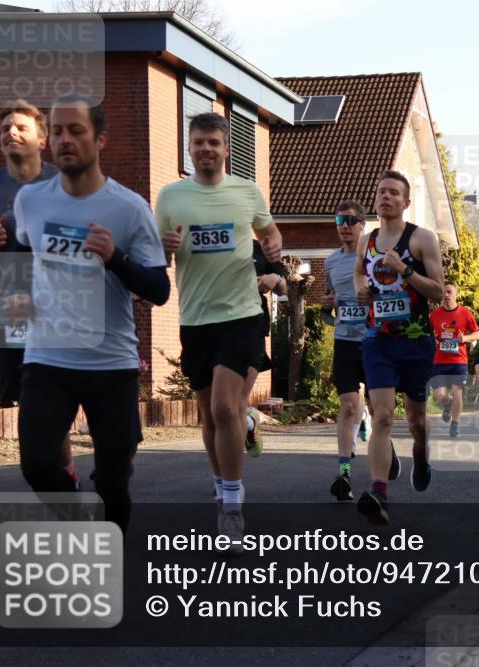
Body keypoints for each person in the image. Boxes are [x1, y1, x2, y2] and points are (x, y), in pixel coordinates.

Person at [11, 94, 169, 533]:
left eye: (75, 130)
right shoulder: (31, 201)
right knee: (38, 466)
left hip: (110, 362)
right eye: (57, 131)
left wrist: (116, 257)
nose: (64, 140)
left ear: (100, 139)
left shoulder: (129, 208)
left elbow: (158, 290)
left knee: (114, 483)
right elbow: (22, 255)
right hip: (48, 357)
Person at [156, 111, 282, 547]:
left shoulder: (247, 191)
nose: (206, 149)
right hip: (196, 318)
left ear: (226, 148)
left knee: (227, 409)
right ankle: (219, 479)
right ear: (188, 149)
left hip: (242, 313)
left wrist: (273, 244)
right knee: (208, 415)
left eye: (213, 142)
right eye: (198, 143)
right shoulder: (171, 197)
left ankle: (232, 503)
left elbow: (270, 232)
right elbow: (157, 259)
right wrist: (163, 247)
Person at [0, 99, 80, 490]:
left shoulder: (67, 182)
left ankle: (62, 476)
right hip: (12, 295)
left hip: (59, 297)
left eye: (20, 127)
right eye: (4, 128)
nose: (11, 132)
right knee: (30, 399)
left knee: (54, 396)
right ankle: (62, 480)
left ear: (42, 140)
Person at [354, 170, 445, 524]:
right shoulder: (367, 240)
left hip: (416, 340)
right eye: (381, 192)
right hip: (377, 339)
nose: (385, 197)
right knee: (382, 415)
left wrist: (404, 270)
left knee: (416, 420)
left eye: (393, 193)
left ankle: (420, 453)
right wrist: (362, 291)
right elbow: (360, 277)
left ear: (407, 202)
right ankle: (379, 492)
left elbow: (438, 292)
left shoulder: (421, 239)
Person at [320, 200, 373, 501]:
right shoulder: (330, 262)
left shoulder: (375, 260)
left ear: (363, 225)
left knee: (381, 409)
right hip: (345, 341)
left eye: (351, 220)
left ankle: (381, 445)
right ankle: (344, 473)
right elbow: (329, 311)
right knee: (348, 406)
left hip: (375, 341)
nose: (344, 225)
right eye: (339, 220)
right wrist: (327, 308)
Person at [245, 237, 287, 457]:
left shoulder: (261, 248)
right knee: (221, 409)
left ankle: (227, 483)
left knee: (234, 403)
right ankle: (248, 421)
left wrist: (275, 277)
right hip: (218, 326)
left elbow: (282, 287)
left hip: (254, 325)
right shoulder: (211, 245)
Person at [429, 282, 479, 439]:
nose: (446, 295)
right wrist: (434, 340)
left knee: (458, 393)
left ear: (456, 294)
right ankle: (447, 404)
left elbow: (477, 334)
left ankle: (455, 424)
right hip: (439, 360)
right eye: (444, 293)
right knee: (439, 394)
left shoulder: (465, 314)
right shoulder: (435, 314)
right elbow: (429, 334)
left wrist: (465, 337)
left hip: (459, 361)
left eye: (449, 292)